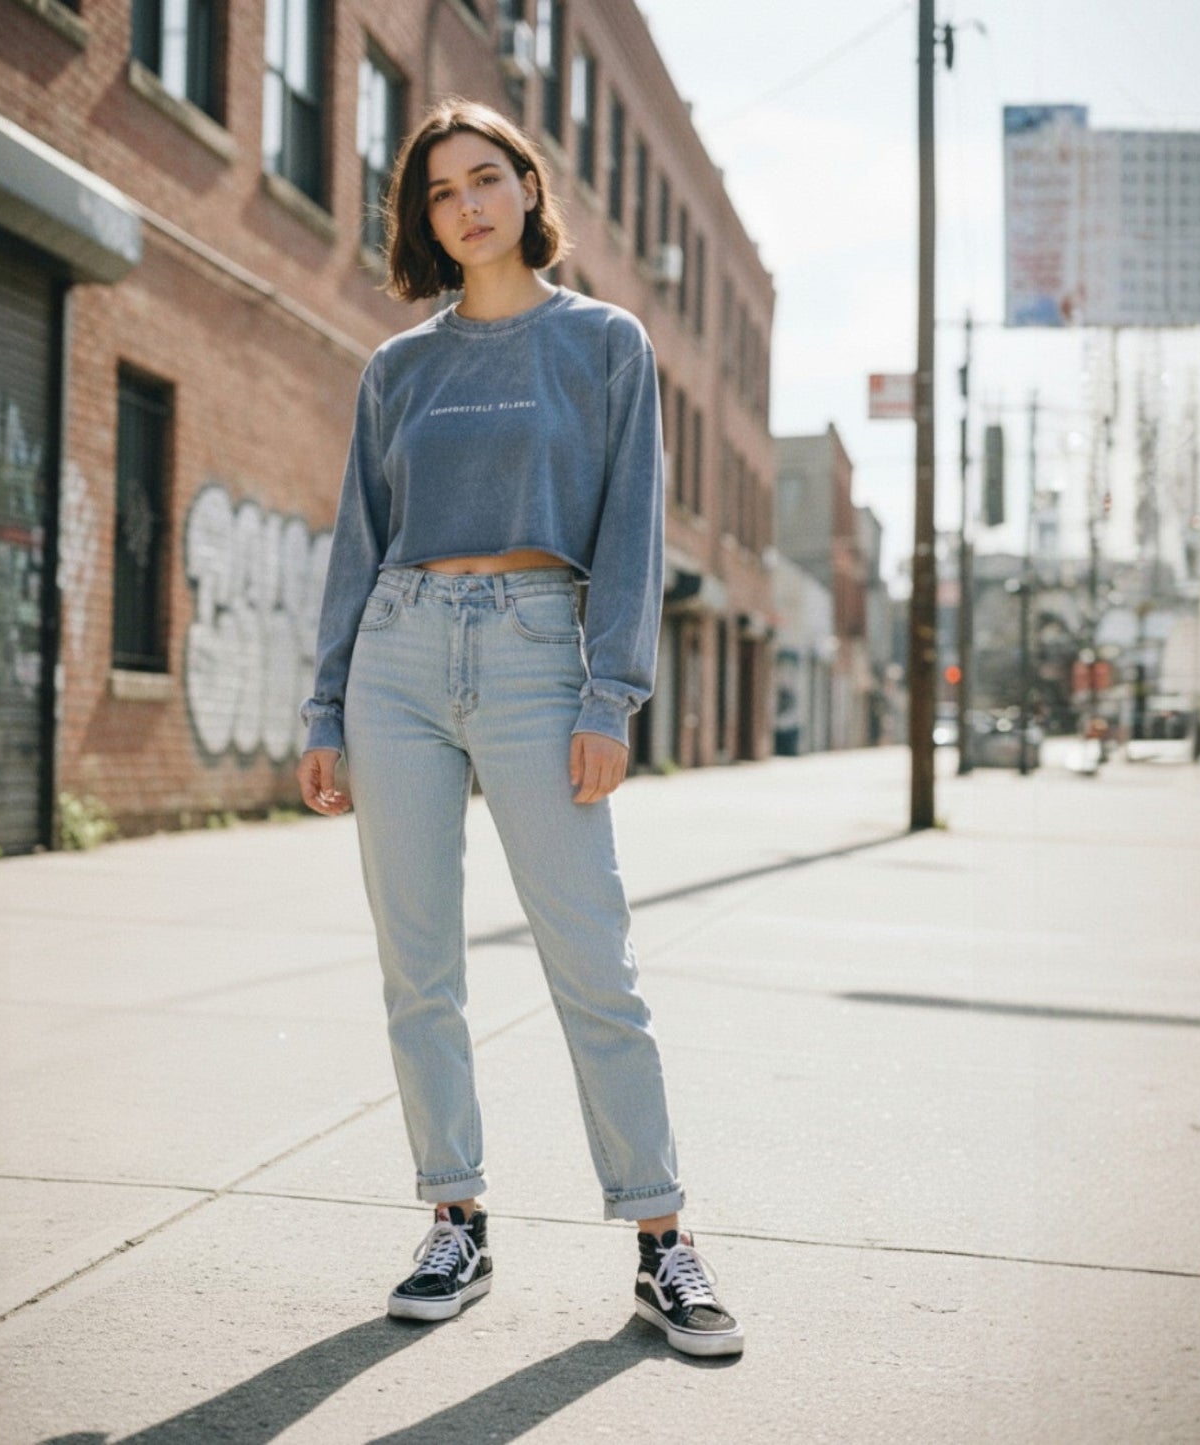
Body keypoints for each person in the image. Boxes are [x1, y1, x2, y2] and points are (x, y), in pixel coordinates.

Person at [296, 98, 742, 1359]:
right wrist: (325, 704)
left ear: (528, 188)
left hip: (541, 653)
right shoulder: (398, 367)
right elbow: (357, 543)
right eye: (440, 191)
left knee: (592, 961)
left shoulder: (603, 342)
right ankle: (455, 1218)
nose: (467, 205)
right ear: (423, 219)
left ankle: (661, 1239)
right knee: (417, 963)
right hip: (396, 654)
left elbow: (631, 528)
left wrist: (611, 696)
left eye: (484, 178)